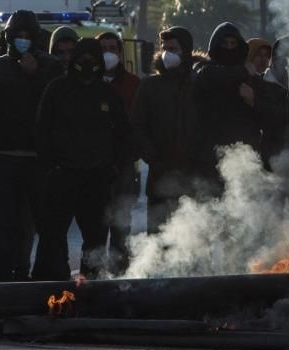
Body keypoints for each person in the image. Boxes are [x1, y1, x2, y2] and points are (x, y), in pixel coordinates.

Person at [0, 10, 60, 282]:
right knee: (3, 224)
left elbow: (54, 109)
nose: (23, 41)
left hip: (38, 160)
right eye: (18, 36)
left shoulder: (50, 67)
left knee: (41, 224)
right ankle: (4, 275)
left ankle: (39, 275)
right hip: (3, 159)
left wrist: (33, 74)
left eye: (27, 36)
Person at [36, 37, 129, 279]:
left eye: (92, 60)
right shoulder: (56, 89)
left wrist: (113, 167)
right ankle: (51, 287)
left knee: (96, 243)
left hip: (97, 179)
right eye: (82, 60)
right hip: (62, 176)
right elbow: (42, 130)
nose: (87, 64)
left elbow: (123, 133)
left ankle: (91, 293)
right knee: (52, 238)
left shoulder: (108, 93)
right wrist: (51, 166)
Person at [132, 27, 197, 235]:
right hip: (160, 177)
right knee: (158, 239)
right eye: (165, 48)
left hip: (192, 177)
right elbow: (138, 125)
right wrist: (153, 157)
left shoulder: (197, 84)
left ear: (185, 51)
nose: (168, 53)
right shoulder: (150, 86)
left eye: (174, 48)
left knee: (190, 240)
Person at [189, 22, 262, 196]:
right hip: (210, 158)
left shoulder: (251, 79)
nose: (229, 48)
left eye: (233, 44)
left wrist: (254, 100)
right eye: (224, 44)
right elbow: (210, 76)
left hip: (244, 158)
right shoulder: (204, 71)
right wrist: (243, 71)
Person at [100, 31, 141, 274]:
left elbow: (139, 121)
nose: (108, 53)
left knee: (121, 224)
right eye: (103, 47)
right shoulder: (87, 81)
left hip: (124, 162)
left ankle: (119, 275)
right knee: (96, 224)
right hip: (93, 163)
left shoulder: (133, 84)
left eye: (112, 48)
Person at [246, 37, 289, 168]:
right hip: (266, 158)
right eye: (258, 55)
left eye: (265, 56)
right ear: (274, 61)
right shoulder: (258, 85)